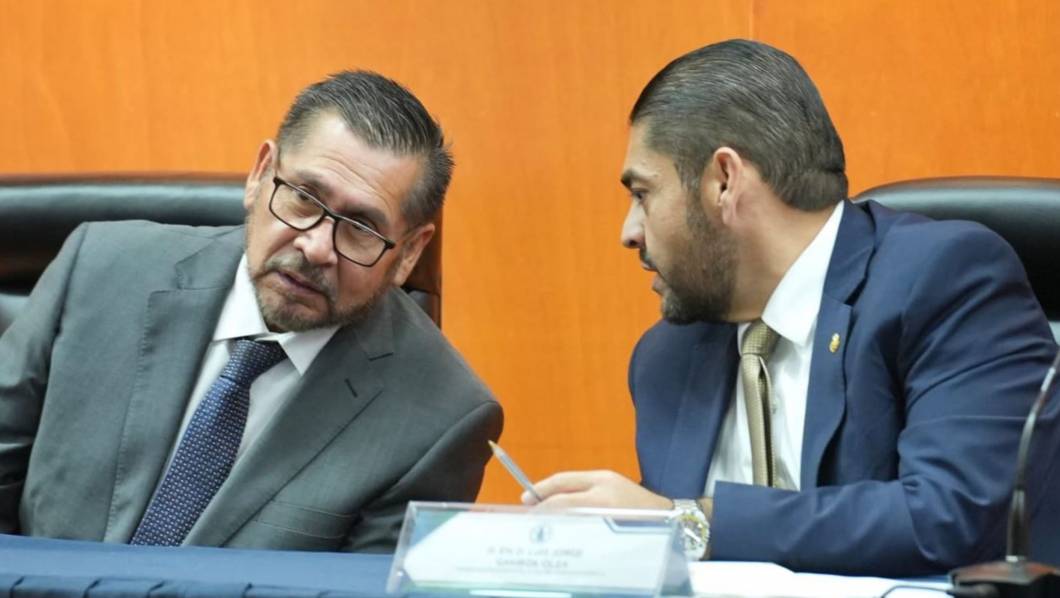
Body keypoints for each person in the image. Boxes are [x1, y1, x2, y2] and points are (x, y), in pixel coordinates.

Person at [525, 39, 1058, 576]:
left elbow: (950, 516)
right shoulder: (667, 357)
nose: (629, 232)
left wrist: (690, 523)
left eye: (642, 194)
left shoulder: (946, 281)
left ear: (724, 181)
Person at [0, 71, 502, 552]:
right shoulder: (96, 271)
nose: (315, 247)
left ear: (409, 252)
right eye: (303, 198)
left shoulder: (441, 422)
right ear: (261, 174)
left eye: (360, 228)